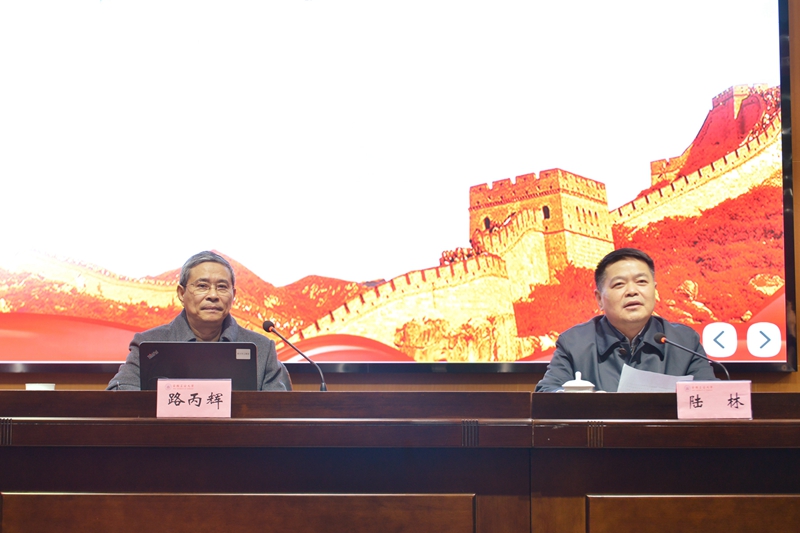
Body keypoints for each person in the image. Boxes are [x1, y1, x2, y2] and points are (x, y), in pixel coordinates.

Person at [535, 248, 717, 392]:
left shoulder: (684, 342)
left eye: (641, 282)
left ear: (654, 290)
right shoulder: (574, 343)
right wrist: (578, 400)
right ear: (599, 299)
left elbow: (711, 397)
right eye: (619, 284)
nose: (632, 291)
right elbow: (547, 392)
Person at [107, 251, 292, 391]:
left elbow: (280, 409)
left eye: (222, 287)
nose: (213, 295)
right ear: (181, 293)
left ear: (233, 295)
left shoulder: (262, 348)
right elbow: (118, 395)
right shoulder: (148, 344)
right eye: (202, 286)